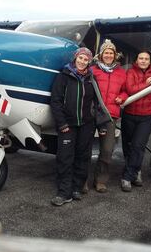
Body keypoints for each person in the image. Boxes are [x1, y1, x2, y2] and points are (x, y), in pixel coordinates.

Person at [50, 47, 110, 206]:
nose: (82, 62)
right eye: (80, 58)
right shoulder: (64, 76)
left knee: (83, 157)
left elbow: (98, 103)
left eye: (86, 60)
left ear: (89, 62)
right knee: (65, 158)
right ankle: (64, 193)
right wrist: (61, 123)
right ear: (75, 58)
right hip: (67, 125)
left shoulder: (91, 78)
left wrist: (101, 125)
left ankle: (76, 188)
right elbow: (55, 102)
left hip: (86, 125)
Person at [121, 50, 151, 192]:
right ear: (136, 60)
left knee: (138, 146)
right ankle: (136, 170)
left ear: (150, 60)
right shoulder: (130, 72)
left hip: (147, 117)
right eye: (140, 58)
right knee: (127, 146)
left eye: (146, 58)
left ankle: (128, 177)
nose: (143, 61)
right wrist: (147, 85)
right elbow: (130, 89)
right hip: (129, 115)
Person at [91, 39, 128, 193]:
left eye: (111, 53)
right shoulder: (92, 70)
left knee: (107, 150)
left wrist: (123, 97)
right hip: (92, 113)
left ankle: (100, 180)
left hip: (110, 115)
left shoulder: (121, 72)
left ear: (115, 55)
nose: (108, 55)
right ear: (101, 55)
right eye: (106, 52)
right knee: (83, 149)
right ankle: (81, 181)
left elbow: (126, 90)